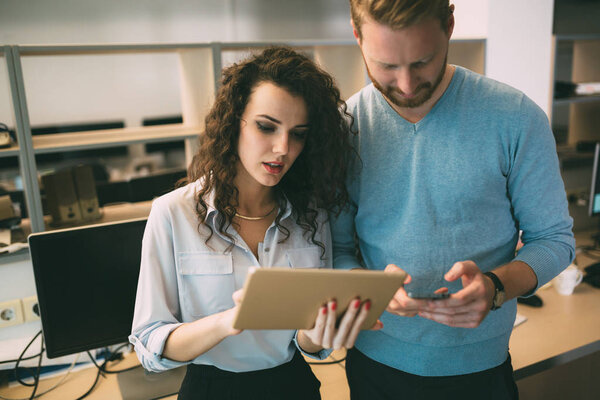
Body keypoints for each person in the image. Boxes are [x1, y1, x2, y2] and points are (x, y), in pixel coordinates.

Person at [332, 1, 575, 399]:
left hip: (481, 370)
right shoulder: (343, 129)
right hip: (373, 366)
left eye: (422, 62)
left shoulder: (516, 117)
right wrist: (367, 285)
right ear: (357, 37)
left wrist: (497, 286)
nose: (407, 85)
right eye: (387, 66)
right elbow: (338, 251)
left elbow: (555, 240)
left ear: (449, 26)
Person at [129, 46, 375, 400]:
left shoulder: (312, 214)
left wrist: (320, 332)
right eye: (266, 127)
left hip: (294, 386)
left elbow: (307, 345)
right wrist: (229, 321)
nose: (282, 148)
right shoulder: (172, 213)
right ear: (234, 122)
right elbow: (151, 344)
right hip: (213, 389)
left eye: (298, 133)